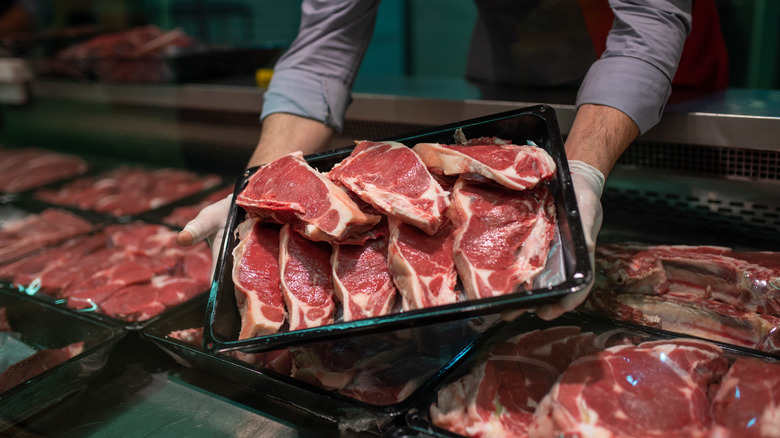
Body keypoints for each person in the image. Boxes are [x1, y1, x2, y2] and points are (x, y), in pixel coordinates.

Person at [177, 0, 712, 320]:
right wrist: (262, 186)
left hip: (649, 83)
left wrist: (587, 173)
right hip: (514, 56)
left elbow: (649, 22)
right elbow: (324, 47)